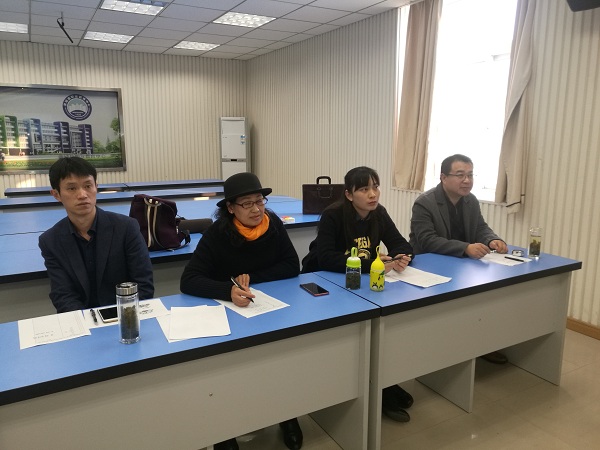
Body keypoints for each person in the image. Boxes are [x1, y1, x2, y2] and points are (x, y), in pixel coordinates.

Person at [180, 172, 302, 450]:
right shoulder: (217, 234)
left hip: (269, 309)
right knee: (229, 375)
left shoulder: (272, 225)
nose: (256, 209)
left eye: (259, 201)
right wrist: (229, 290)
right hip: (229, 315)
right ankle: (225, 432)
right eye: (247, 204)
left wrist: (250, 279)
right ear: (230, 208)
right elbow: (189, 280)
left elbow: (291, 266)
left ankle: (287, 415)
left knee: (279, 363)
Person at [301, 166, 416, 423]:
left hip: (362, 284)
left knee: (381, 330)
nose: (372, 194)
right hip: (326, 281)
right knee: (351, 336)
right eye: (364, 189)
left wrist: (401, 258)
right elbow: (326, 258)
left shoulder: (379, 213)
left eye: (375, 187)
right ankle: (370, 389)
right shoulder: (333, 215)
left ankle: (381, 383)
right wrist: (372, 263)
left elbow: (402, 244)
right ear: (349, 194)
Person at [409, 153, 509, 364]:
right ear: (443, 177)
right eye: (460, 175)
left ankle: (480, 344)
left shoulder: (470, 201)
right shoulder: (425, 203)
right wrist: (465, 248)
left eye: (470, 175)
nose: (467, 180)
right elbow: (427, 241)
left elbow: (480, 227)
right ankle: (443, 350)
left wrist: (492, 239)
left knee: (485, 297)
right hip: (430, 265)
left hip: (462, 264)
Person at [39, 156, 154, 313]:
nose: (82, 194)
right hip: (81, 320)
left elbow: (144, 286)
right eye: (72, 188)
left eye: (88, 186)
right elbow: (63, 295)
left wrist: (119, 320)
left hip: (125, 316)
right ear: (56, 194)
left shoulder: (126, 228)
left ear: (96, 187)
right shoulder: (51, 241)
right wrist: (87, 322)